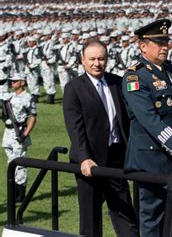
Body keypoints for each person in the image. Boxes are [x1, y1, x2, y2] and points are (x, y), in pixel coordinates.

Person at [121, 19, 172, 237]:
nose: (164, 46)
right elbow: (150, 120)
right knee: (153, 218)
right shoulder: (135, 76)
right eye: (158, 42)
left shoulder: (170, 71)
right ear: (143, 46)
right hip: (150, 158)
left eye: (166, 41)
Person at [63, 39, 138, 237]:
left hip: (116, 157)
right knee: (90, 217)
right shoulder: (74, 88)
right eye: (92, 59)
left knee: (124, 213)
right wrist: (85, 158)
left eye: (101, 59)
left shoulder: (117, 82)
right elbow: (75, 128)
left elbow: (129, 119)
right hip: (90, 160)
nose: (97, 63)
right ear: (83, 60)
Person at [1, 73, 36, 203]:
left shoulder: (27, 97)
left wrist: (25, 133)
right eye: (11, 81)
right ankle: (13, 191)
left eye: (15, 81)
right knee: (11, 162)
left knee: (20, 164)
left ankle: (21, 194)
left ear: (22, 82)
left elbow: (33, 116)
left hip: (19, 133)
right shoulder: (9, 96)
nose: (12, 83)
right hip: (8, 134)